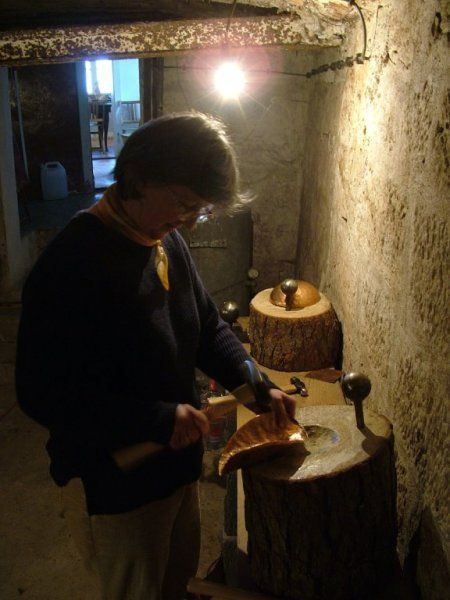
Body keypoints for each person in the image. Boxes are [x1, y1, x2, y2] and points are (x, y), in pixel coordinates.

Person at [15, 112, 296, 600]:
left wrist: (256, 385)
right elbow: (41, 394)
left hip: (175, 466)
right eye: (184, 204)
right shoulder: (72, 264)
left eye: (199, 210)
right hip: (117, 484)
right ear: (141, 178)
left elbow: (207, 325)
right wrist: (155, 419)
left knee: (176, 584)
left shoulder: (163, 241)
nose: (188, 221)